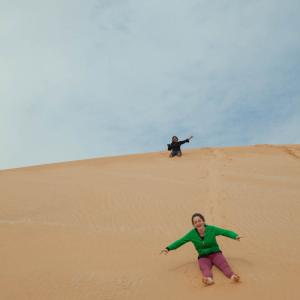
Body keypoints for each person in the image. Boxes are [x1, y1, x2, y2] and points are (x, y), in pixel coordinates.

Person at [160, 213, 242, 285]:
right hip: (203, 257)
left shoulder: (212, 229)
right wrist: (168, 248)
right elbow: (180, 241)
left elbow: (225, 232)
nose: (198, 223)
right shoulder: (191, 234)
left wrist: (235, 236)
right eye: (195, 222)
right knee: (204, 269)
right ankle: (208, 280)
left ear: (203, 221)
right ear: (193, 225)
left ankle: (233, 276)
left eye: (199, 221)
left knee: (224, 265)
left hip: (215, 253)